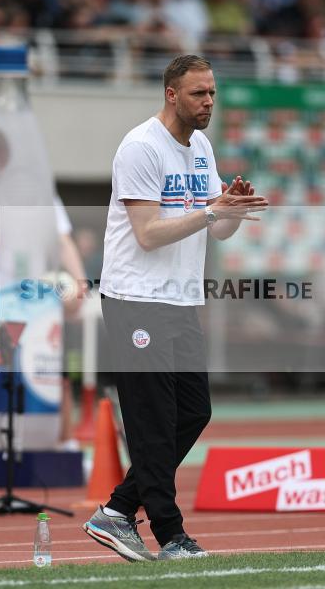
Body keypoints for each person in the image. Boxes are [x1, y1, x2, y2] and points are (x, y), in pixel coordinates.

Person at [82, 54, 268, 561]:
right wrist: (211, 210)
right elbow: (147, 235)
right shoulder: (141, 147)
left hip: (179, 300)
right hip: (136, 299)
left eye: (212, 92)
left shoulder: (201, 146)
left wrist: (230, 208)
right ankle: (170, 535)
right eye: (198, 94)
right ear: (171, 94)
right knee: (153, 421)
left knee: (194, 411)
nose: (208, 102)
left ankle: (118, 511)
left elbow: (216, 226)